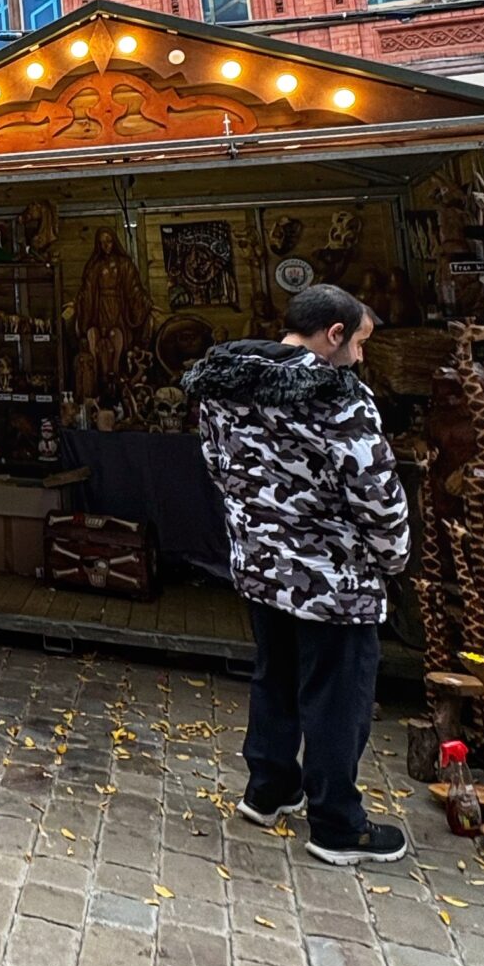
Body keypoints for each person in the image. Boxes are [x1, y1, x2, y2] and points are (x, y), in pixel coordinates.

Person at [186, 283, 411, 866]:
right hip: (332, 575)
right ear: (333, 334)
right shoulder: (339, 398)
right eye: (358, 343)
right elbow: (376, 492)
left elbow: (216, 465)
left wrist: (259, 527)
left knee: (276, 675)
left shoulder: (224, 387)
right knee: (338, 695)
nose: (360, 358)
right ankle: (337, 823)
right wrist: (393, 557)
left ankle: (269, 788)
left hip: (262, 566)